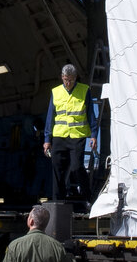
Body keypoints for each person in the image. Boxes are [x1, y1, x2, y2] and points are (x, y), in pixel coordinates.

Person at [41, 64, 96, 202]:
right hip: (59, 136)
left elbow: (91, 114)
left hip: (77, 136)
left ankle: (88, 197)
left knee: (77, 167)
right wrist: (47, 139)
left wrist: (94, 135)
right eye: (65, 79)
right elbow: (50, 117)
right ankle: (57, 201)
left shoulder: (84, 91)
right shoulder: (56, 92)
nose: (68, 83)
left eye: (70, 80)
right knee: (57, 168)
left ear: (75, 78)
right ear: (62, 77)